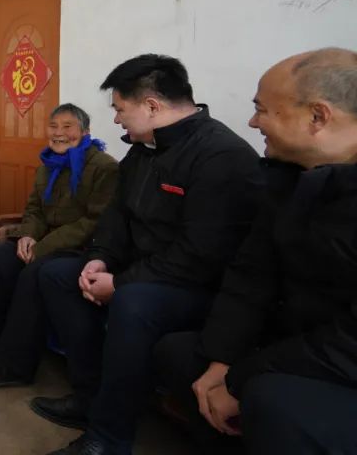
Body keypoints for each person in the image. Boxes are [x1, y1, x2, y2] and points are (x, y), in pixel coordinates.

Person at [32, 54, 263, 455]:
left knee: (134, 302)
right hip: (143, 269)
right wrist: (99, 257)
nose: (117, 120)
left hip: (195, 284)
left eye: (121, 110)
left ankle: (108, 438)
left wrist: (120, 283)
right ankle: (90, 397)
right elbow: (117, 216)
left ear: (152, 106)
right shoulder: (143, 149)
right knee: (57, 274)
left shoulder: (221, 155)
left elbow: (200, 254)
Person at [154, 47, 357, 455]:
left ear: (318, 117)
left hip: (341, 363)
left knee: (271, 399)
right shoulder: (286, 180)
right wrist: (222, 361)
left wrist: (242, 376)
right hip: (293, 344)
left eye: (262, 110)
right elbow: (250, 276)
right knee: (180, 356)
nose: (251, 122)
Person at [0, 104, 119, 390]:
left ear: (85, 132)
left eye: (68, 127)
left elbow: (94, 222)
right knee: (0, 256)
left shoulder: (104, 167)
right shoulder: (47, 164)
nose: (59, 133)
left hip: (82, 248)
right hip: (44, 241)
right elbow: (35, 211)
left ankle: (14, 366)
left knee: (34, 273)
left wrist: (42, 247)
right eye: (53, 126)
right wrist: (27, 236)